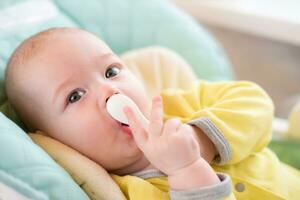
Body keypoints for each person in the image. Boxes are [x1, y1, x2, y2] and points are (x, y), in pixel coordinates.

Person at [5, 27, 300, 200]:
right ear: (54, 141)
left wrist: (203, 138)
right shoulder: (129, 192)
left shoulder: (179, 105)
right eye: (75, 96)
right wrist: (186, 170)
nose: (110, 92)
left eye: (111, 71)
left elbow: (254, 101)